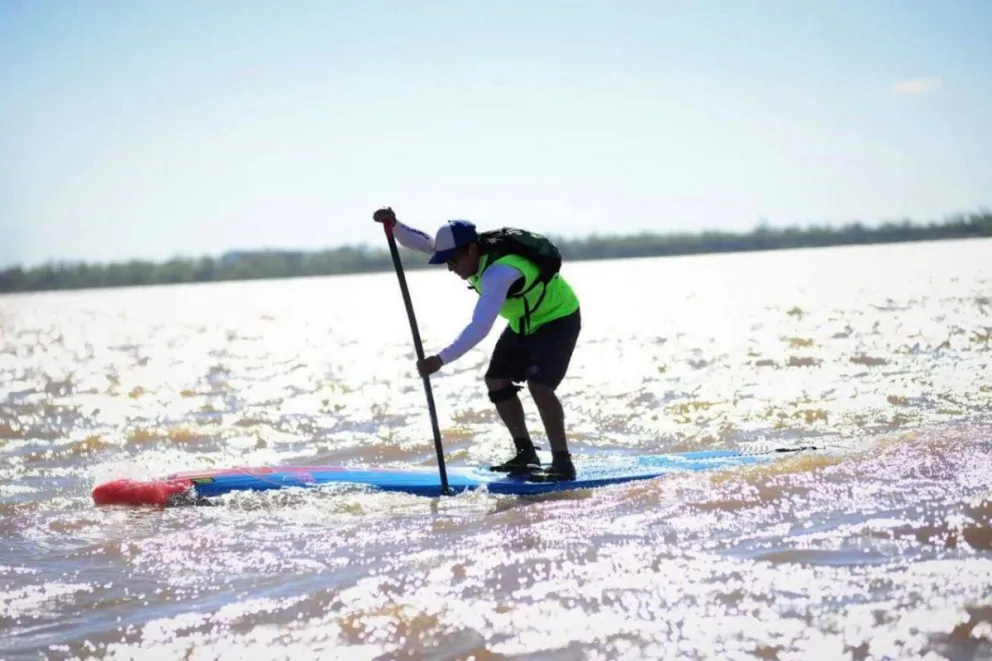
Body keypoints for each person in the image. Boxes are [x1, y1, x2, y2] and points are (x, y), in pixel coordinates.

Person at [373, 206, 581, 481]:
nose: (451, 268)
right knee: (496, 380)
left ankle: (563, 464)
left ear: (472, 250)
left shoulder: (499, 273)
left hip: (557, 318)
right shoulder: (466, 253)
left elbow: (480, 327)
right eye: (446, 262)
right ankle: (526, 455)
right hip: (522, 321)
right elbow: (424, 243)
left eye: (453, 261)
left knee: (540, 387)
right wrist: (395, 224)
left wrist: (440, 359)